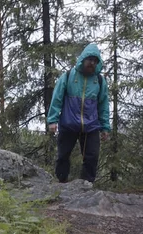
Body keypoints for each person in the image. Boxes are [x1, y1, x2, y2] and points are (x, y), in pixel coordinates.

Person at [47, 43, 110, 185]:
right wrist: (52, 120)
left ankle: (86, 185)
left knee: (92, 156)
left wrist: (105, 127)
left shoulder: (99, 81)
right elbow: (57, 98)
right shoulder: (68, 76)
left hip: (91, 126)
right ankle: (61, 182)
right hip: (68, 124)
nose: (92, 63)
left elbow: (103, 105)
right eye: (90, 60)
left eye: (95, 61)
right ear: (83, 59)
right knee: (63, 155)